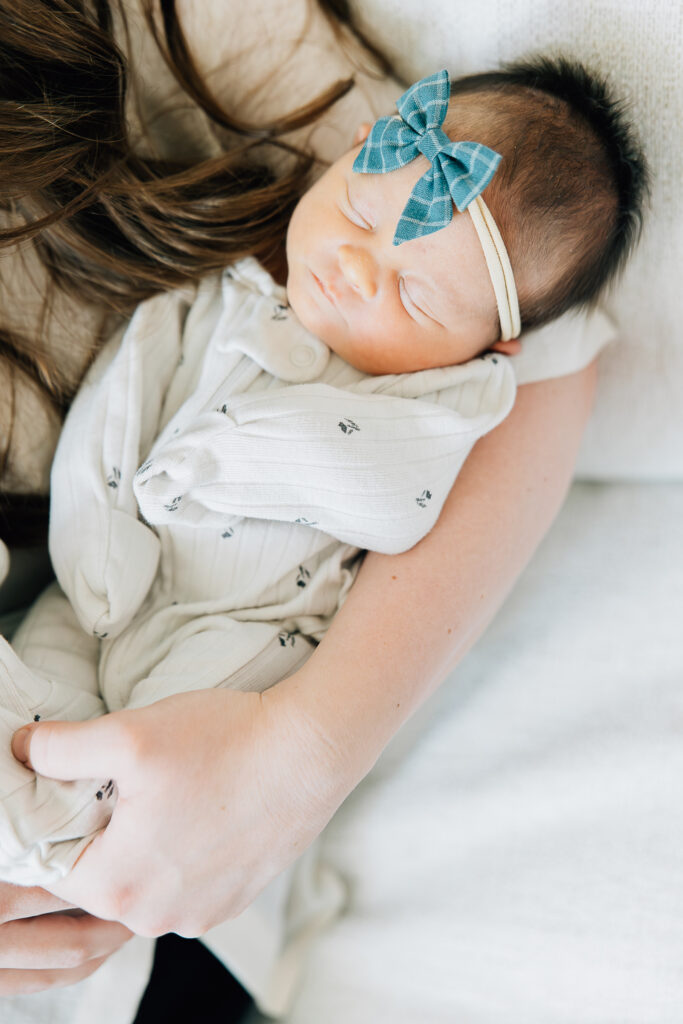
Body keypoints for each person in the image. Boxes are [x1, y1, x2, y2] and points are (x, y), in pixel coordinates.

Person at [0, 0, 647, 1018]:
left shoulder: (435, 407)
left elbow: (375, 490)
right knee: (40, 711)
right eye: (351, 215)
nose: (349, 267)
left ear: (489, 352)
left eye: (416, 295)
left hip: (230, 646)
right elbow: (124, 400)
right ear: (349, 157)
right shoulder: (231, 295)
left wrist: (296, 755)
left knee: (106, 788)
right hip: (99, 579)